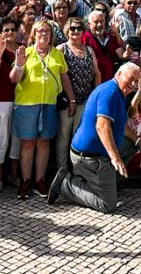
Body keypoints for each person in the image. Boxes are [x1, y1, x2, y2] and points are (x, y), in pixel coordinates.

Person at [47, 63, 141, 212]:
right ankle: (65, 184)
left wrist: (138, 140)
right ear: (118, 74)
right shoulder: (110, 93)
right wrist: (115, 158)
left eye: (137, 81)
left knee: (132, 145)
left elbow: (124, 121)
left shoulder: (119, 93)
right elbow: (102, 127)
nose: (133, 84)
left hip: (97, 153)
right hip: (90, 158)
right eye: (131, 79)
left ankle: (108, 182)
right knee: (107, 204)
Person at [12, 19, 75, 199]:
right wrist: (19, 63)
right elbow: (14, 79)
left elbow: (64, 78)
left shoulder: (57, 54)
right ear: (33, 34)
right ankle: (25, 180)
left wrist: (71, 99)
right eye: (40, 31)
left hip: (48, 103)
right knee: (28, 142)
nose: (43, 34)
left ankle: (39, 180)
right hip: (27, 103)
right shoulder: (26, 52)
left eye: (47, 31)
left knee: (44, 142)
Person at [56, 18, 101, 170]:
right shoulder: (61, 49)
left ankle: (77, 170)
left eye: (79, 28)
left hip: (86, 100)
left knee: (79, 136)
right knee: (63, 136)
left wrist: (96, 98)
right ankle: (62, 170)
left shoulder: (89, 50)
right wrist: (71, 100)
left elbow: (97, 73)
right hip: (67, 101)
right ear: (67, 30)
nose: (75, 31)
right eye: (72, 28)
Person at [0, 18, 21, 192]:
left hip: (22, 99)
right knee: (1, 137)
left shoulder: (23, 49)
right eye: (6, 30)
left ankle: (13, 174)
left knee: (17, 138)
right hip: (2, 99)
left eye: (12, 30)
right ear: (1, 33)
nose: (9, 33)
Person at [83, 9, 126, 82]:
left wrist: (116, 33)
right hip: (91, 82)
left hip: (109, 80)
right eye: (96, 22)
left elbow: (121, 55)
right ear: (89, 24)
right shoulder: (85, 37)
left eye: (101, 21)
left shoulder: (110, 37)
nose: (99, 25)